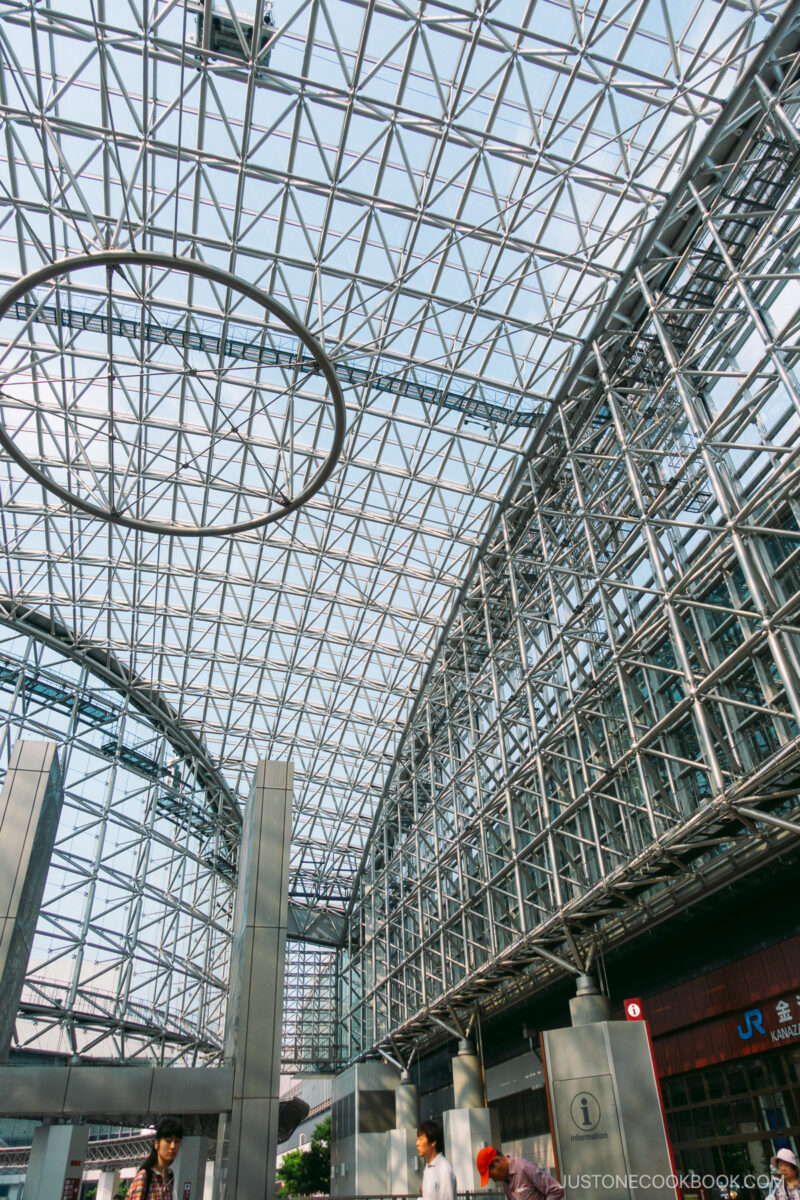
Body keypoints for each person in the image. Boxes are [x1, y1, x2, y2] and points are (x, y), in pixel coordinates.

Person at [476, 1145, 564, 1200]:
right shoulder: (505, 1182)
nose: (494, 1181)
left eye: (492, 1176)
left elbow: (556, 1189)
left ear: (497, 1161)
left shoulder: (525, 1168)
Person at [126, 1117, 184, 1199]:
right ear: (156, 1144)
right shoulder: (144, 1177)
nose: (173, 1146)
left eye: (177, 1142)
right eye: (168, 1141)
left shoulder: (170, 1177)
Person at [417, 1120, 457, 1200]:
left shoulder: (444, 1170)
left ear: (433, 1142)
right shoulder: (428, 1167)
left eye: (420, 1139)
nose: (417, 1143)